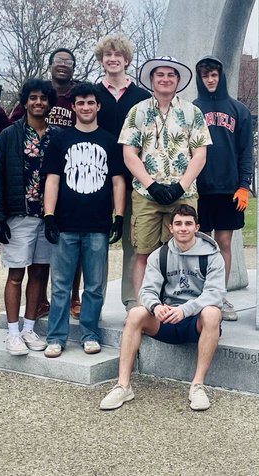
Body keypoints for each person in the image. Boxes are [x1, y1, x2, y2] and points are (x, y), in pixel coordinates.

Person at [99, 204, 224, 412]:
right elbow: (147, 291)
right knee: (136, 313)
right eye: (178, 224)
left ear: (197, 227)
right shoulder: (160, 255)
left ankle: (198, 386)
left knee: (212, 313)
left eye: (188, 224)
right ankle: (123, 385)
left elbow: (215, 294)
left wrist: (185, 310)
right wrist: (156, 307)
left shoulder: (212, 255)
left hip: (194, 321)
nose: (183, 228)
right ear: (171, 228)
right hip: (166, 318)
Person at [40, 83, 127, 358]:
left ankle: (90, 333)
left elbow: (118, 182)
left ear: (98, 106)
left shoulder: (110, 141)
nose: (86, 107)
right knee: (61, 285)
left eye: (90, 102)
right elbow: (52, 180)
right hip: (65, 224)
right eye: (80, 103)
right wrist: (49, 215)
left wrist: (119, 217)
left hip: (98, 225)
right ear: (74, 107)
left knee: (93, 286)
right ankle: (56, 336)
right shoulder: (60, 140)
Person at [120, 56, 211, 301]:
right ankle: (141, 304)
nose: (165, 79)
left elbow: (200, 154)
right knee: (143, 252)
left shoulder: (192, 112)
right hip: (147, 194)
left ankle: (181, 302)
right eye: (160, 74)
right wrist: (151, 184)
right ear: (152, 79)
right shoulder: (137, 111)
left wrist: (180, 186)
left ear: (178, 80)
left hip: (183, 193)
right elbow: (129, 153)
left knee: (183, 251)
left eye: (171, 75)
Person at [0, 79, 57, 356]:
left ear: (50, 103)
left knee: (40, 272)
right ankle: (13, 332)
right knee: (16, 274)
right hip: (19, 215)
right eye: (33, 98)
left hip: (49, 217)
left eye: (43, 98)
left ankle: (29, 328)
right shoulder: (9, 135)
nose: (38, 102)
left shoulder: (57, 136)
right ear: (25, 101)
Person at [92, 35, 151, 313]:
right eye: (107, 55)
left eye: (118, 54)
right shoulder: (92, 95)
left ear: (126, 59)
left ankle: (131, 299)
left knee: (133, 241)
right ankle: (94, 300)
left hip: (133, 180)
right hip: (97, 180)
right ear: (101, 60)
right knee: (96, 244)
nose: (113, 58)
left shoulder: (142, 98)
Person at [192, 56, 253, 321]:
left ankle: (219, 295)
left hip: (229, 189)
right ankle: (199, 294)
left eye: (214, 74)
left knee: (224, 242)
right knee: (200, 242)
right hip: (200, 189)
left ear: (221, 75)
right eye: (205, 75)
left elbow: (245, 152)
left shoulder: (239, 110)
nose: (210, 79)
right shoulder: (192, 108)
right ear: (200, 79)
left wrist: (244, 185)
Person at [0, 48, 80, 132]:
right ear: (49, 67)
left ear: (73, 70)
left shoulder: (82, 98)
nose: (63, 65)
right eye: (58, 61)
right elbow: (7, 130)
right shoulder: (35, 96)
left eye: (68, 62)